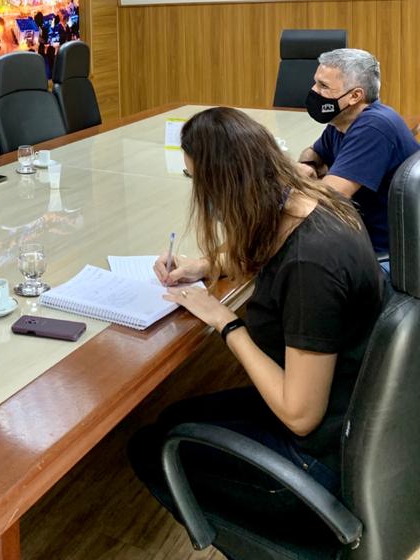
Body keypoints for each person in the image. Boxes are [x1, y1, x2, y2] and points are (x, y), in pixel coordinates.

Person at [129, 106, 383, 519]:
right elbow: (272, 247)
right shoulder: (315, 204)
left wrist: (226, 322)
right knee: (175, 416)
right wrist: (204, 265)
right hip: (352, 405)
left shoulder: (310, 267)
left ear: (222, 185)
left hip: (319, 456)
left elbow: (300, 416)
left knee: (150, 448)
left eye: (195, 180)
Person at [298, 48, 418, 254]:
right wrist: (307, 165)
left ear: (355, 96)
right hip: (356, 236)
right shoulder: (342, 121)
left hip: (386, 255)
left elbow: (327, 199)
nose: (314, 91)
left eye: (323, 86)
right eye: (316, 82)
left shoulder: (373, 128)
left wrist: (294, 184)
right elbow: (313, 151)